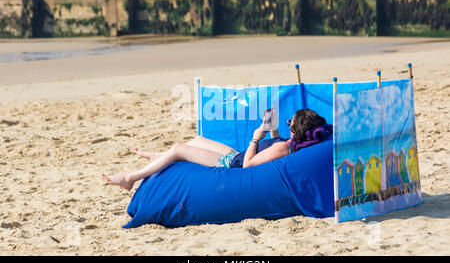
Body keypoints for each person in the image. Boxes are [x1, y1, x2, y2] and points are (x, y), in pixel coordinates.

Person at [102, 108, 332, 191]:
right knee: (197, 138)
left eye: (289, 123)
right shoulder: (289, 144)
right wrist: (271, 128)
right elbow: (277, 146)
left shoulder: (284, 148)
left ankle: (130, 178)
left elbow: (249, 164)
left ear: (294, 131)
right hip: (234, 155)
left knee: (178, 149)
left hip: (231, 164)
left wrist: (255, 138)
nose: (288, 124)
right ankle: (156, 158)